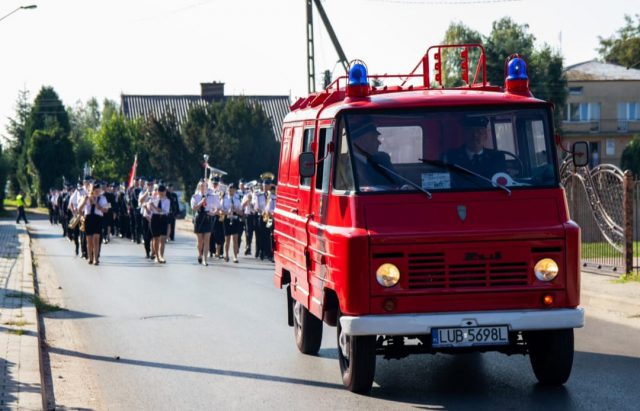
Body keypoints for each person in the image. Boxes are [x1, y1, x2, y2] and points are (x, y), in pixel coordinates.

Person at [349, 122, 397, 189]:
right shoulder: (346, 163)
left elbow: (397, 182)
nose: (379, 143)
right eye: (374, 138)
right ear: (362, 141)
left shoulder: (383, 158)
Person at [78, 183, 109, 265]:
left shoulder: (103, 198)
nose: (96, 192)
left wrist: (97, 204)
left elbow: (107, 209)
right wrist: (84, 201)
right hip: (88, 218)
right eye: (95, 190)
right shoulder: (86, 197)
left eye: (98, 190)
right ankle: (90, 258)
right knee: (89, 240)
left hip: (98, 219)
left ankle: (96, 258)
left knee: (96, 239)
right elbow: (79, 209)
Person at [191, 181, 215, 266]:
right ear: (199, 187)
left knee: (207, 240)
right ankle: (200, 254)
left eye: (205, 186)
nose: (203, 188)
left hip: (207, 218)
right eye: (201, 186)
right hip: (199, 218)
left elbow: (214, 207)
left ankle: (205, 259)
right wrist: (201, 202)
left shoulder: (211, 196)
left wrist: (213, 212)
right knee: (200, 241)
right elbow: (194, 208)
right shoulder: (195, 196)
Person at [221, 183, 243, 263]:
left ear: (235, 190)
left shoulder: (237, 199)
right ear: (228, 189)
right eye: (230, 188)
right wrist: (228, 212)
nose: (231, 190)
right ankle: (226, 255)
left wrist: (236, 210)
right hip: (227, 219)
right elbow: (221, 210)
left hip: (235, 219)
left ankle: (235, 256)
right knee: (227, 239)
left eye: (233, 188)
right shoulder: (224, 198)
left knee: (235, 239)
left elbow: (241, 212)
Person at [150, 185, 170, 263]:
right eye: (160, 191)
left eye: (163, 192)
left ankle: (161, 256)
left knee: (163, 239)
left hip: (163, 218)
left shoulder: (167, 200)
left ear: (165, 192)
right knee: (156, 238)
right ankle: (157, 256)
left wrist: (154, 207)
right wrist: (149, 205)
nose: (161, 193)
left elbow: (164, 211)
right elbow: (149, 208)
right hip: (155, 218)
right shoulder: (153, 198)